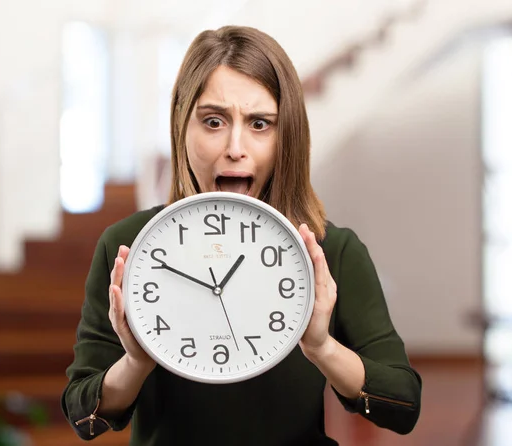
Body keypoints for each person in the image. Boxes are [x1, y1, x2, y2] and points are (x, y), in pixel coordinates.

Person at [61, 25, 422, 446]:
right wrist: (137, 360)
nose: (236, 147)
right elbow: (83, 415)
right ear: (182, 126)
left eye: (260, 123)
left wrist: (322, 348)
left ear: (287, 135)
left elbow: (402, 405)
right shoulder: (129, 247)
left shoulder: (331, 252)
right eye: (213, 121)